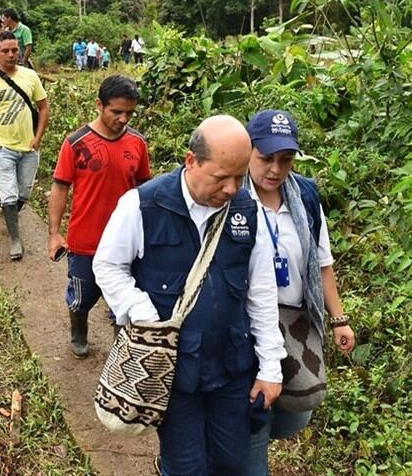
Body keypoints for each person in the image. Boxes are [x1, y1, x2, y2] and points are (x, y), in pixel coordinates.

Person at [93, 115, 286, 474]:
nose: (231, 189)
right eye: (221, 177)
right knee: (186, 467)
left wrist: (271, 366)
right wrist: (144, 314)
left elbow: (260, 290)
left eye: (240, 177)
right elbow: (107, 266)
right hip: (174, 373)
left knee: (232, 461)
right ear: (191, 161)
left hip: (231, 367)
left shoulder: (247, 210)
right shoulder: (143, 206)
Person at [242, 110, 356, 476]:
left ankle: (232, 446)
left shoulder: (304, 195)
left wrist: (338, 319)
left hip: (295, 322)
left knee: (295, 415)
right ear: (248, 152)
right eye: (265, 158)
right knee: (255, 422)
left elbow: (322, 263)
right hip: (245, 328)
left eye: (285, 160)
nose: (275, 169)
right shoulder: (231, 195)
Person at [48, 75, 151, 358]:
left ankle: (122, 347)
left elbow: (144, 187)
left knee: (124, 301)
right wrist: (55, 233)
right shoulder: (76, 142)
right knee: (81, 298)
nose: (123, 119)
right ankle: (78, 331)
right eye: (116, 111)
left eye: (129, 113)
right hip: (86, 241)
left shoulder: (138, 143)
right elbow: (60, 187)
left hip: (127, 242)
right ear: (99, 105)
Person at [0, 31, 50, 260]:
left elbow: (43, 107)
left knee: (24, 192)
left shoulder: (29, 76)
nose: (11, 55)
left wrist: (38, 137)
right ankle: (15, 239)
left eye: (15, 50)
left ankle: (10, 215)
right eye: (5, 50)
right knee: (8, 194)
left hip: (28, 148)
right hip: (0, 146)